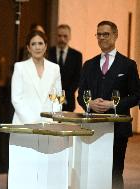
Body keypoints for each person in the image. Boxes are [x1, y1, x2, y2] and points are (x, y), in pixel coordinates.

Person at [77, 20, 140, 189]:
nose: (102, 38)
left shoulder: (128, 65)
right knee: (93, 170)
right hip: (93, 128)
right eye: (99, 34)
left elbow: (136, 96)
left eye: (106, 34)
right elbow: (81, 95)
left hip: (118, 129)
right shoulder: (89, 65)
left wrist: (113, 104)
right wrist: (89, 103)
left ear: (115, 35)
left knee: (114, 173)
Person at [9, 30, 65, 188]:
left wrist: (51, 117)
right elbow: (16, 98)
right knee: (23, 169)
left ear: (46, 46)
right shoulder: (20, 67)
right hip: (24, 124)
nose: (37, 47)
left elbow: (58, 96)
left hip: (48, 125)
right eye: (33, 44)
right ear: (28, 47)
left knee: (45, 170)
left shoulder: (55, 68)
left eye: (40, 43)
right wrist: (33, 122)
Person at [48, 24, 83, 112]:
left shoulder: (77, 55)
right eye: (59, 36)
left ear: (70, 37)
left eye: (65, 36)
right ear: (56, 36)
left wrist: (63, 96)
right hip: (50, 100)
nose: (62, 39)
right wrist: (55, 96)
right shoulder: (48, 53)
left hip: (68, 102)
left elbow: (77, 78)